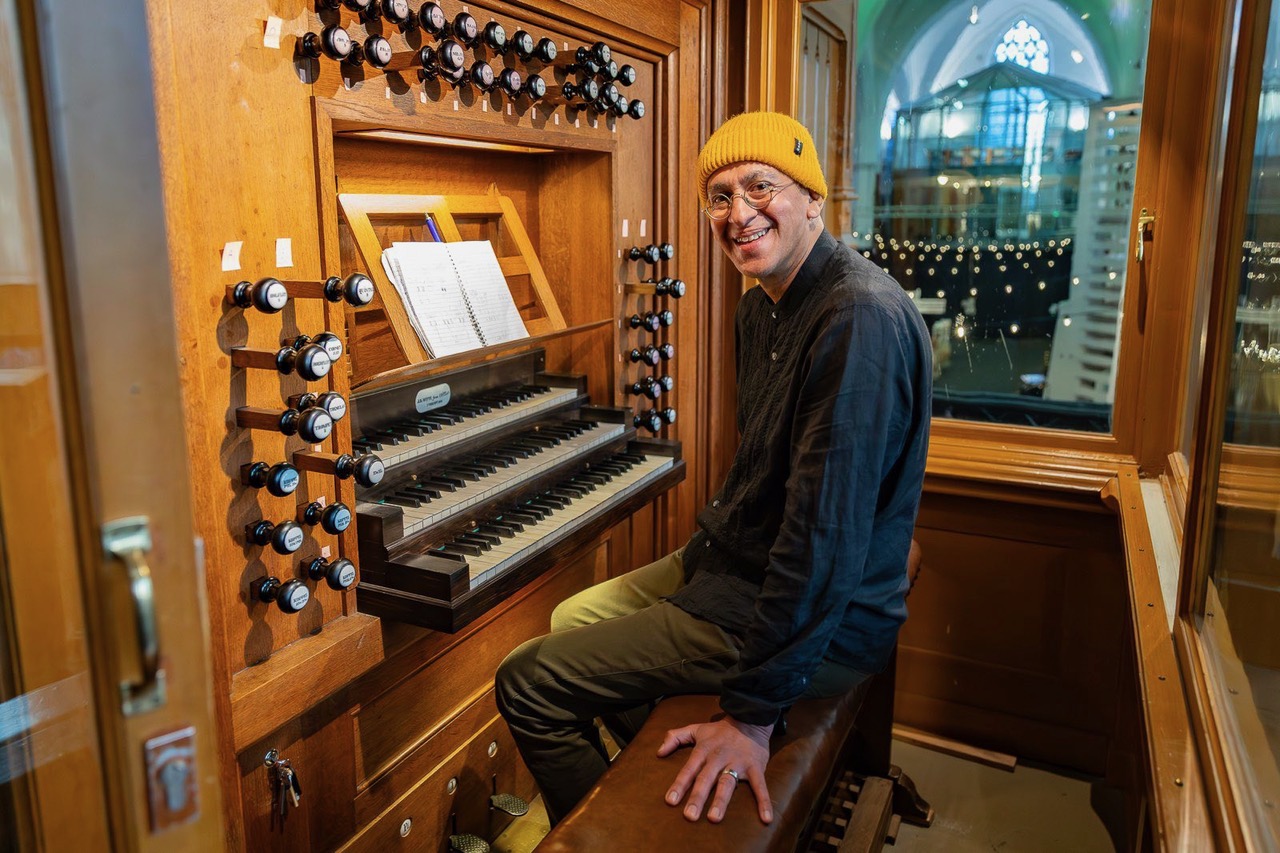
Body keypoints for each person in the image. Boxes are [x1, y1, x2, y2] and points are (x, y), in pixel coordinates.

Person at [495, 111, 931, 830]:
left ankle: (617, 838)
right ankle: (659, 798)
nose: (738, 213)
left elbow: (822, 540)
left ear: (814, 198)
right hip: (743, 566)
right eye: (720, 196)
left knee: (529, 680)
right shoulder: (762, 307)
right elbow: (762, 478)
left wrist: (755, 716)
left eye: (761, 186)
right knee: (573, 614)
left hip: (819, 615)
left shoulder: (858, 320)